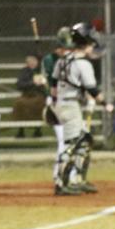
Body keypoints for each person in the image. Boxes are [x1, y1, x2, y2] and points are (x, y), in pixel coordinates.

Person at [51, 22, 103, 196]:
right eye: (90, 44)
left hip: (64, 103)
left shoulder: (62, 61)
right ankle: (60, 183)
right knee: (72, 144)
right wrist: (106, 104)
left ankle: (77, 179)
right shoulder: (83, 64)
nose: (92, 47)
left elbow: (53, 85)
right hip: (71, 105)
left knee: (85, 140)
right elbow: (92, 89)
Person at [42, 28, 72, 178]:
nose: (66, 51)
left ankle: (68, 173)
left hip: (69, 102)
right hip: (55, 102)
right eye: (63, 48)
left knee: (71, 140)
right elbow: (52, 81)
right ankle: (60, 174)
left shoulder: (69, 60)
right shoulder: (49, 60)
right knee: (63, 139)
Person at [12, 54, 46, 137]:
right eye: (29, 61)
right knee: (19, 103)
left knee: (39, 103)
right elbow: (20, 84)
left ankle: (37, 130)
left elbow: (44, 84)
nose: (31, 63)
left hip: (38, 95)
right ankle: (21, 130)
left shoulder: (41, 71)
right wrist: (32, 83)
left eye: (33, 61)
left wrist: (40, 84)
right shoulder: (24, 71)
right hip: (26, 95)